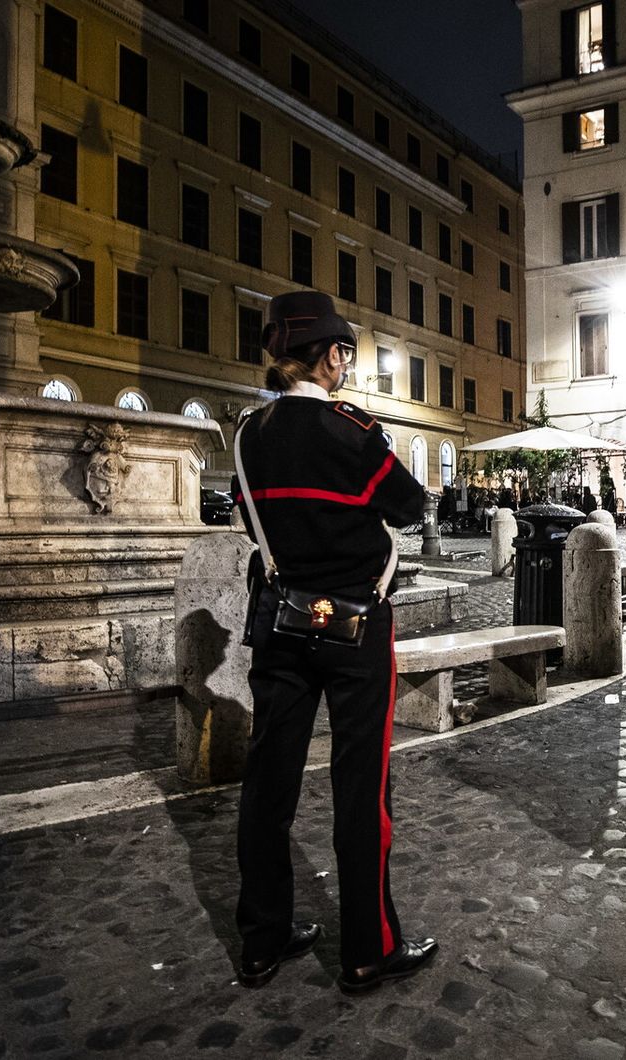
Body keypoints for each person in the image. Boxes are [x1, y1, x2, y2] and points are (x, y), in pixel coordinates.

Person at [231, 290, 437, 993]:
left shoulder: (249, 434)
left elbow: (247, 521)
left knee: (268, 782)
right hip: (354, 625)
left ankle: (262, 939)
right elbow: (408, 506)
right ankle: (365, 951)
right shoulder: (352, 431)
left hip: (282, 624)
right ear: (331, 355)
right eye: (345, 351)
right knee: (360, 787)